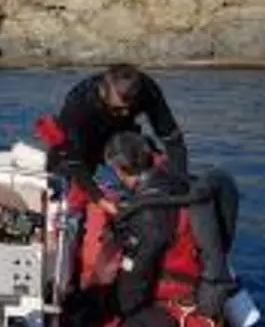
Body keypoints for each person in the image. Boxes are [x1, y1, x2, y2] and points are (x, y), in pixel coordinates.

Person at [102, 132, 236, 327]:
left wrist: (115, 308)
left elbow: (137, 278)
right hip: (195, 288)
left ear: (119, 170)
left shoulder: (149, 213)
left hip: (182, 306)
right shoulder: (177, 184)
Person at [44, 63, 188, 215]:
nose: (125, 112)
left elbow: (172, 138)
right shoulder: (78, 106)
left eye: (130, 107)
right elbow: (73, 161)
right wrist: (101, 200)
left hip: (121, 136)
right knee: (74, 190)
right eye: (118, 109)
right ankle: (71, 218)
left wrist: (180, 184)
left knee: (151, 160)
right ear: (103, 91)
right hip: (80, 145)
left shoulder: (146, 89)